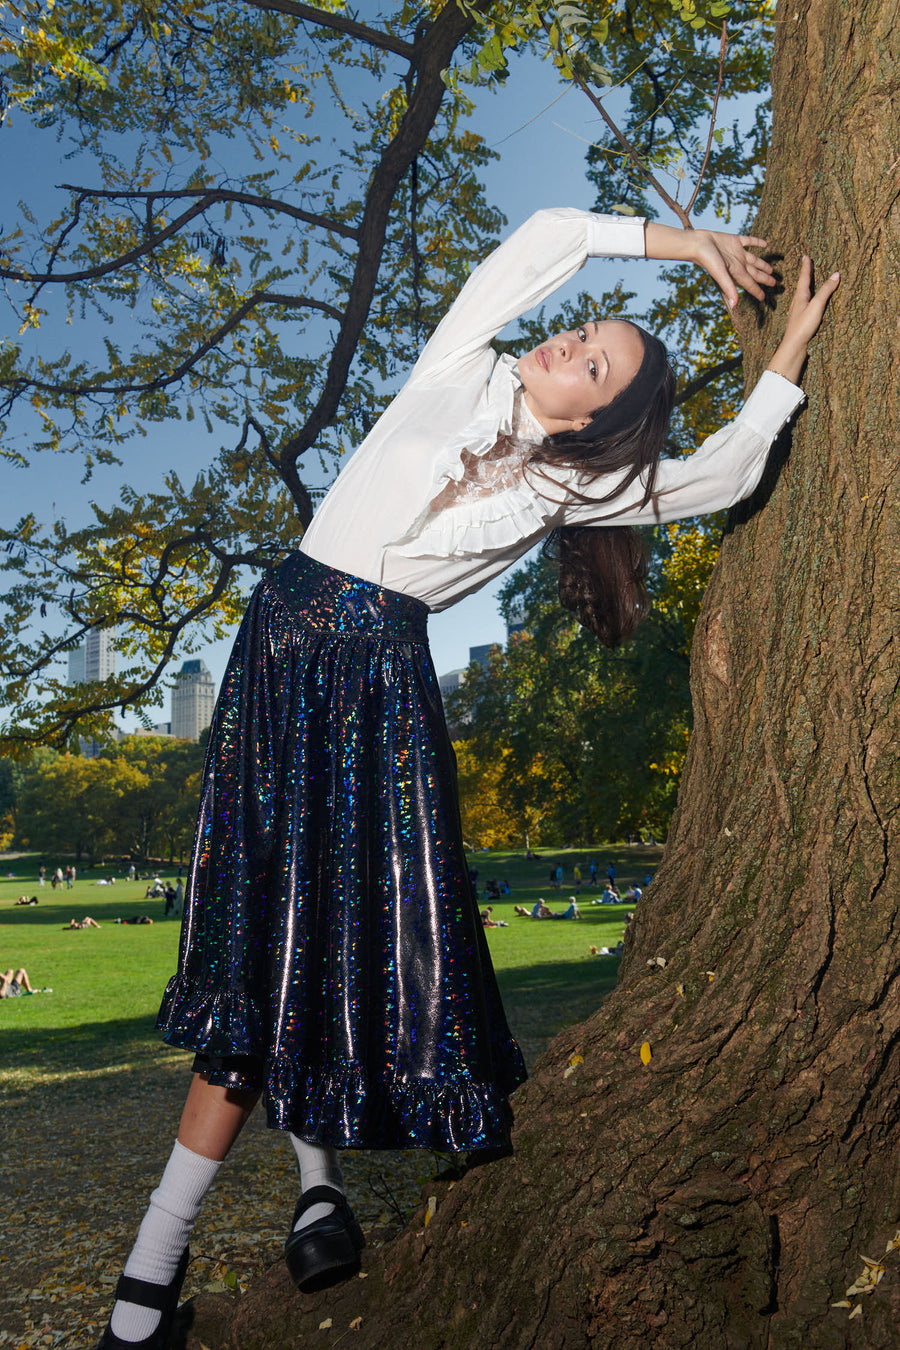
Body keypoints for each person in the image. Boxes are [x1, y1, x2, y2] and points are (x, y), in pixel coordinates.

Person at [97, 206, 838, 1349]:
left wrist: (783, 360)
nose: (567, 348)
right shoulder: (464, 362)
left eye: (594, 363)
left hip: (373, 694)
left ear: (601, 413)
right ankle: (289, 1204)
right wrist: (688, 247)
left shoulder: (573, 486)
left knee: (332, 937)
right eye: (581, 332)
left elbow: (724, 474)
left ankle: (162, 1283)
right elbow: (544, 235)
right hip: (278, 651)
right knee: (266, 943)